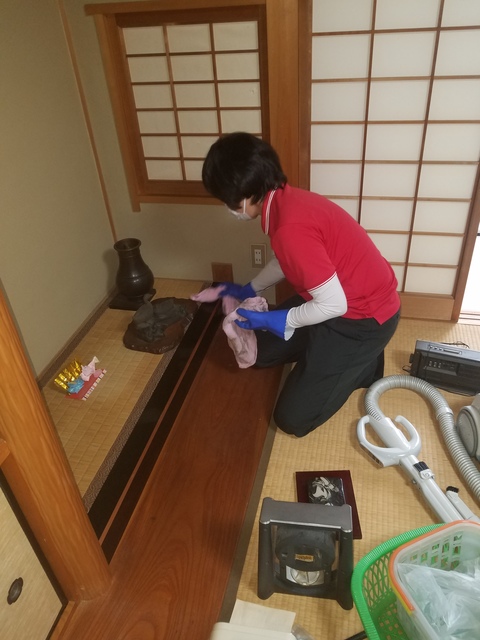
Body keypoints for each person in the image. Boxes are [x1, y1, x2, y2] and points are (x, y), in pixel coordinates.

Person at [202, 132, 401, 438]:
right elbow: (286, 260)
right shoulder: (286, 201)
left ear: (241, 195)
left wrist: (283, 319)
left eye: (227, 200)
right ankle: (331, 351)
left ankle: (363, 363)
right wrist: (251, 288)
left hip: (364, 319)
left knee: (292, 419)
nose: (228, 208)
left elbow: (334, 304)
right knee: (260, 352)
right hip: (335, 298)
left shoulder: (290, 226)